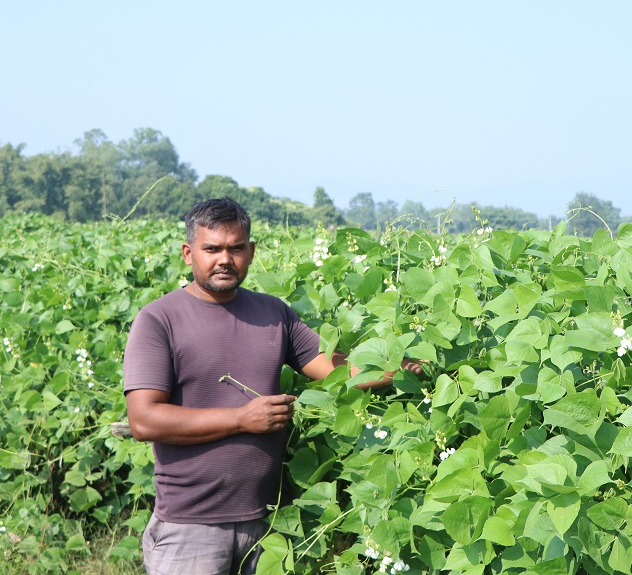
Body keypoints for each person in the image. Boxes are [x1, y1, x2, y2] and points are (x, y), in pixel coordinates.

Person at [123, 197, 422, 575]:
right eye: (211, 249)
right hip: (190, 526)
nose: (224, 259)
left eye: (235, 248)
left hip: (267, 523)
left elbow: (337, 368)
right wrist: (240, 419)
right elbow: (144, 421)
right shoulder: (158, 320)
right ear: (188, 253)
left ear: (250, 252)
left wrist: (403, 367)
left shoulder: (272, 314)